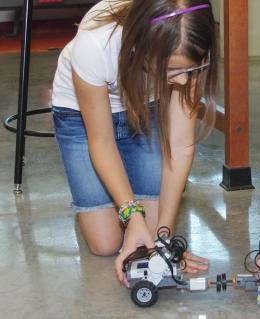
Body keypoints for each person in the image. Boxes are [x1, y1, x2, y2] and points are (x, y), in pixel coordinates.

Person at [51, 0, 218, 287]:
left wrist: (164, 239)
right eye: (169, 70)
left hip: (144, 109)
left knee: (150, 235)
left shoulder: (189, 45)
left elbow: (180, 144)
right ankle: (100, 201)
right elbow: (101, 141)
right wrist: (132, 214)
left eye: (187, 70)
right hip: (79, 117)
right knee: (106, 244)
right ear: (141, 44)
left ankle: (131, 202)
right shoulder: (95, 42)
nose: (180, 80)